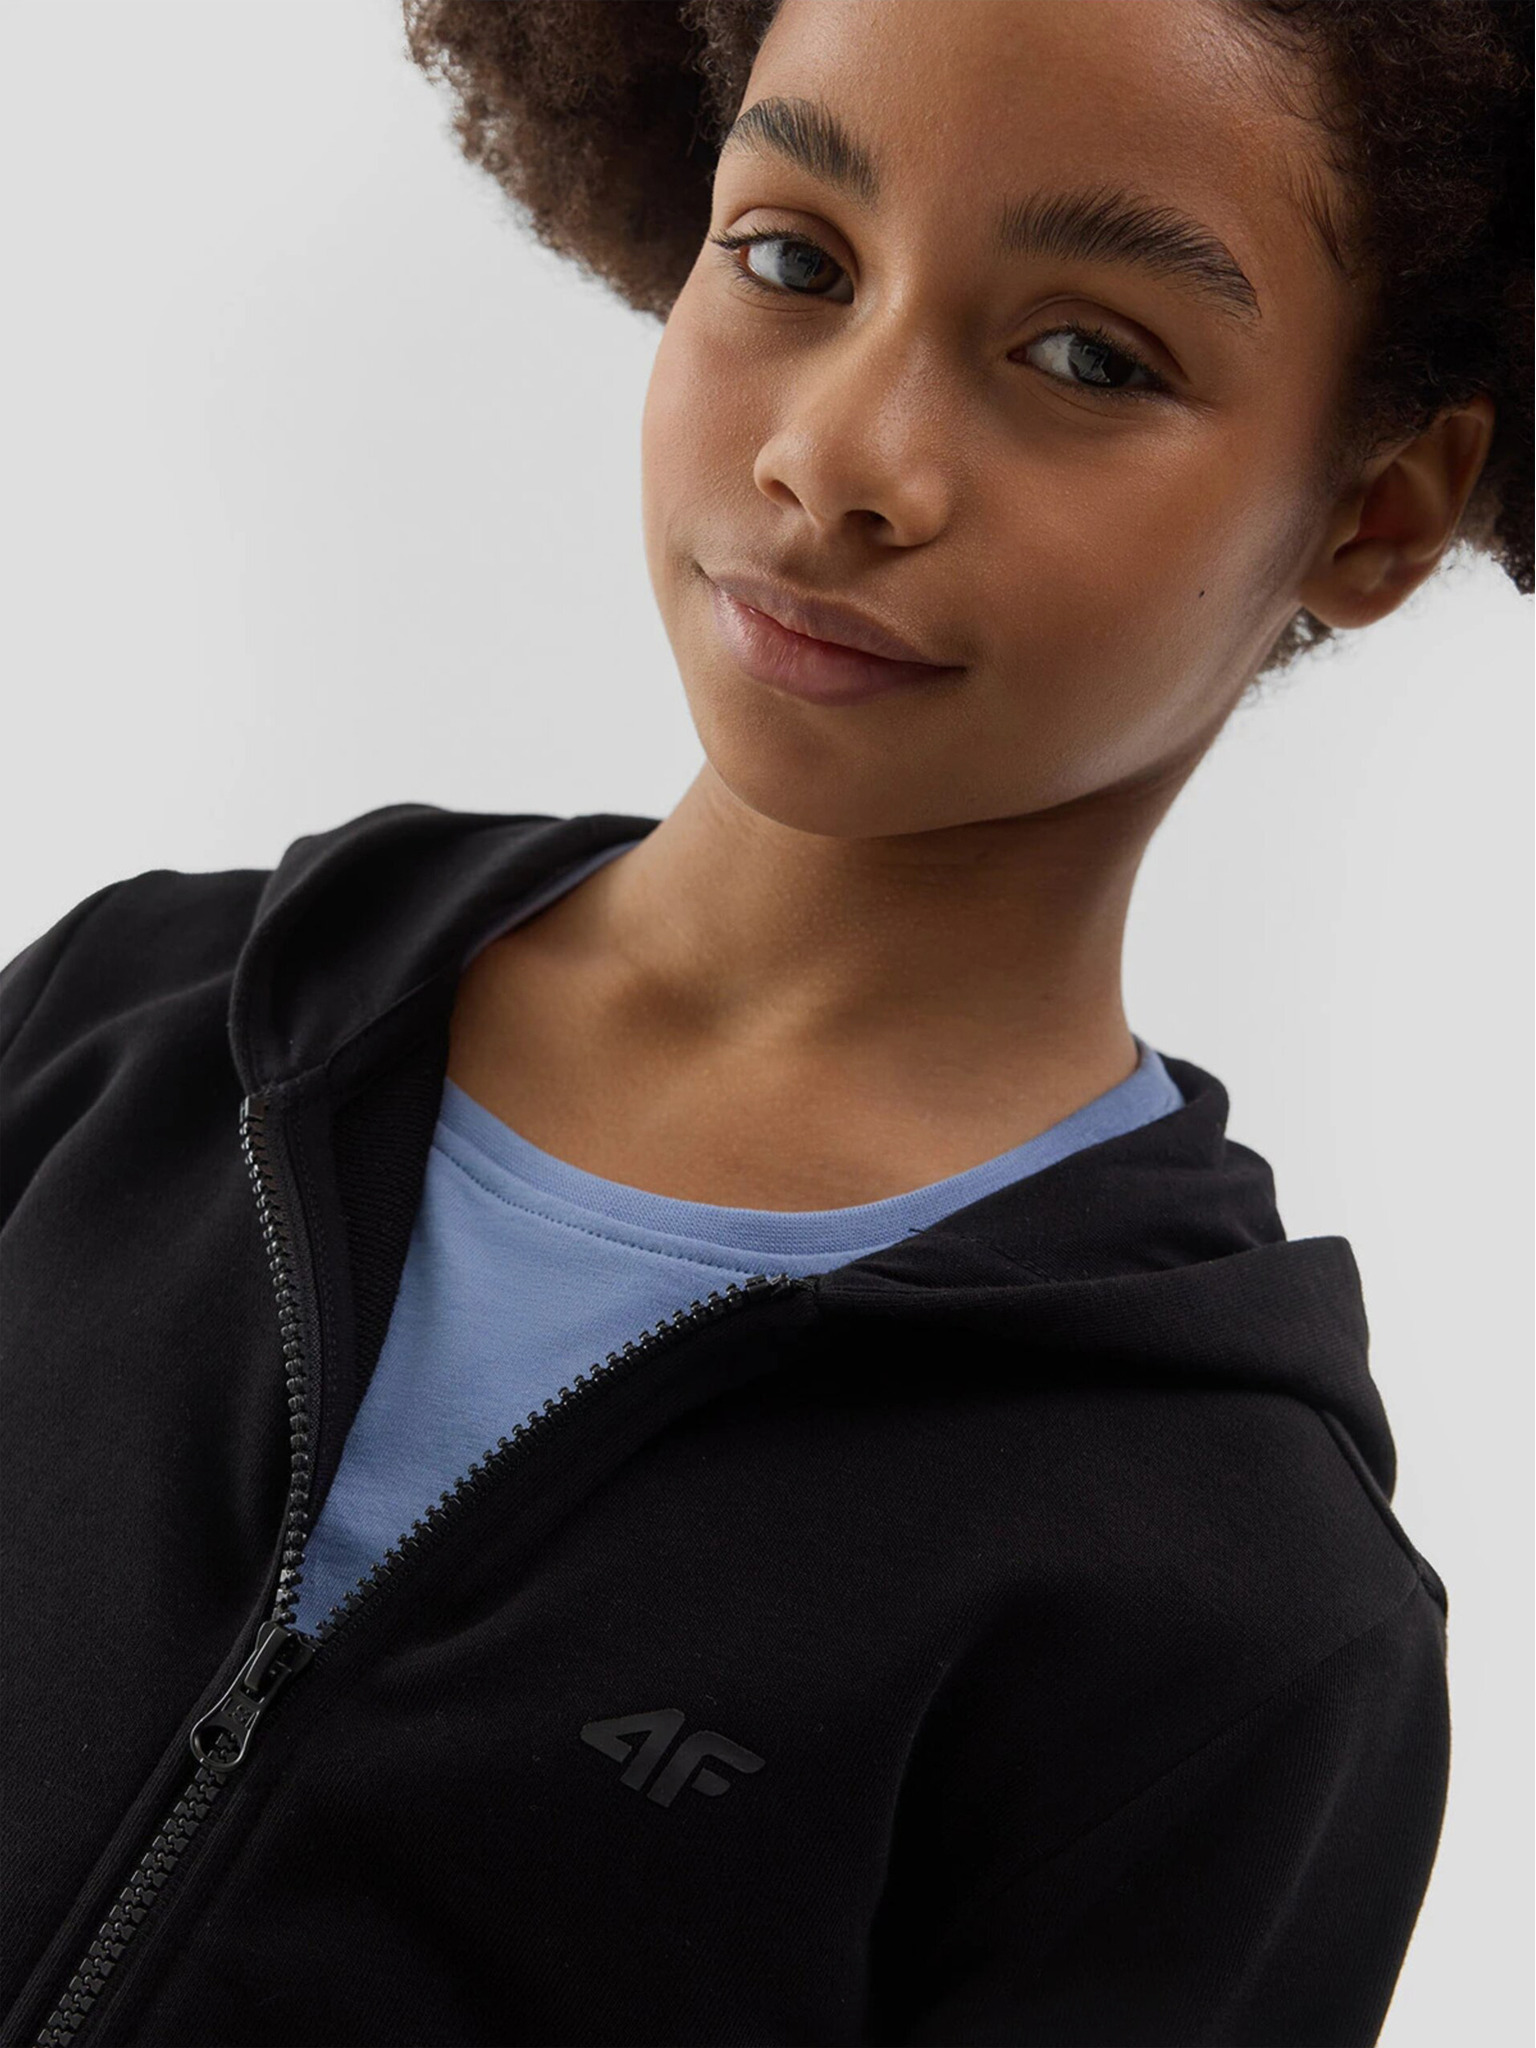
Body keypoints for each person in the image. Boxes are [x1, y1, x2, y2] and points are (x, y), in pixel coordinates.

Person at [1, 2, 1528, 2043]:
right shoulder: (133, 1017)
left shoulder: (1233, 1611)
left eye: (1090, 358)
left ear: (1378, 513)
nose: (840, 456)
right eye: (795, 257)